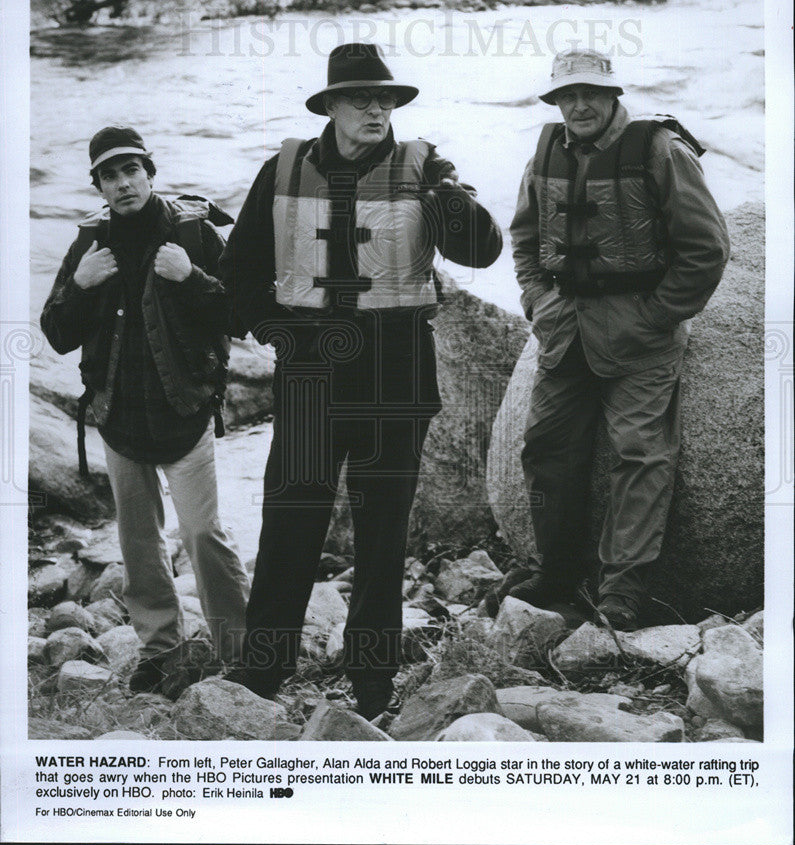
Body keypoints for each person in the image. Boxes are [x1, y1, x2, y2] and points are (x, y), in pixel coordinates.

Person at [220, 43, 502, 718]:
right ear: (331, 107)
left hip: (395, 376)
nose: (377, 110)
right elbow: (239, 277)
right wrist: (277, 333)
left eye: (386, 100)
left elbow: (481, 251)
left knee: (382, 537)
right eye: (361, 99)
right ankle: (260, 675)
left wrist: (452, 206)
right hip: (310, 377)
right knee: (289, 522)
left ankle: (371, 686)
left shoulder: (427, 168)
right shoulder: (281, 170)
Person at [508, 48, 730, 631]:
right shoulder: (546, 148)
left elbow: (705, 248)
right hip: (564, 332)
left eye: (591, 94)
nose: (579, 105)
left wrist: (657, 315)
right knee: (544, 448)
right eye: (567, 95)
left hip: (641, 340)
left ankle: (622, 592)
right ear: (556, 101)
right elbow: (526, 239)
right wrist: (538, 301)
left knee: (639, 455)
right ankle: (556, 574)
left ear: (613, 96)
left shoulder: (661, 149)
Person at [41, 127, 250, 692]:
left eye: (131, 170)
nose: (123, 183)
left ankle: (240, 650)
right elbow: (56, 334)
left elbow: (241, 315)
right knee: (138, 543)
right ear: (100, 188)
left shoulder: (194, 231)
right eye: (110, 175)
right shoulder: (89, 245)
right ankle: (162, 651)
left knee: (203, 534)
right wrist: (81, 286)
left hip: (185, 413)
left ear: (150, 174)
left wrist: (193, 278)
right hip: (118, 417)